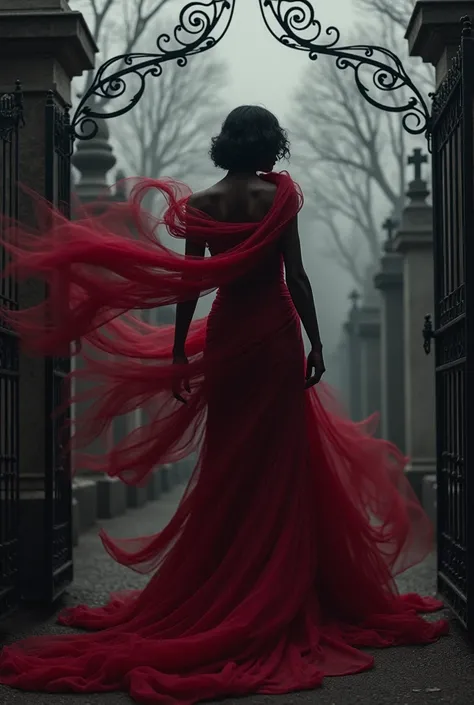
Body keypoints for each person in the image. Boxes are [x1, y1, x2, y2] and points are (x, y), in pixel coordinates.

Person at [0, 105, 448, 704]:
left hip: (231, 336)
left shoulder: (205, 203)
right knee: (279, 464)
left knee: (231, 464)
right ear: (269, 143)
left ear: (224, 145)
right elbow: (298, 277)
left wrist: (183, 353)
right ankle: (279, 585)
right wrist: (315, 341)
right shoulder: (280, 197)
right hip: (275, 336)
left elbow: (191, 284)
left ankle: (226, 581)